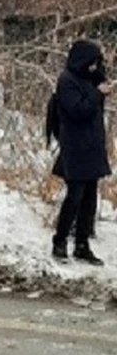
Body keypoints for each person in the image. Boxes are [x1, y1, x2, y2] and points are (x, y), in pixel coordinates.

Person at [50, 39, 110, 265]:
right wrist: (97, 94)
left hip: (92, 145)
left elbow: (97, 86)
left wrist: (101, 79)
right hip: (75, 147)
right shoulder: (67, 81)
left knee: (89, 199)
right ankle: (60, 241)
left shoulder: (88, 78)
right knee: (74, 197)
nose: (94, 66)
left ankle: (82, 244)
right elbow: (77, 111)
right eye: (92, 62)